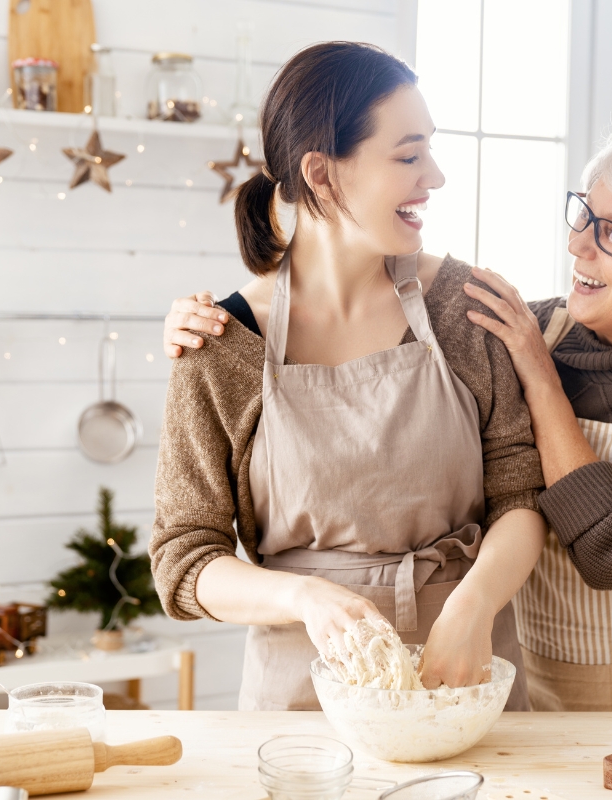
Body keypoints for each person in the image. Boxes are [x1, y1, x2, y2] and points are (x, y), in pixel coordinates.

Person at [165, 128, 612, 712]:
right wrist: (213, 326)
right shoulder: (511, 324)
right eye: (583, 215)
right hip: (522, 669)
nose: (578, 245)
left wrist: (539, 375)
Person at [149, 41, 546, 712]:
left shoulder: (463, 309)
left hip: (467, 683)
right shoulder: (221, 344)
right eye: (409, 155)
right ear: (323, 175)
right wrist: (301, 597)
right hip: (303, 703)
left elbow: (521, 501)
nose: (436, 177)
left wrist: (472, 606)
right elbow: (185, 561)